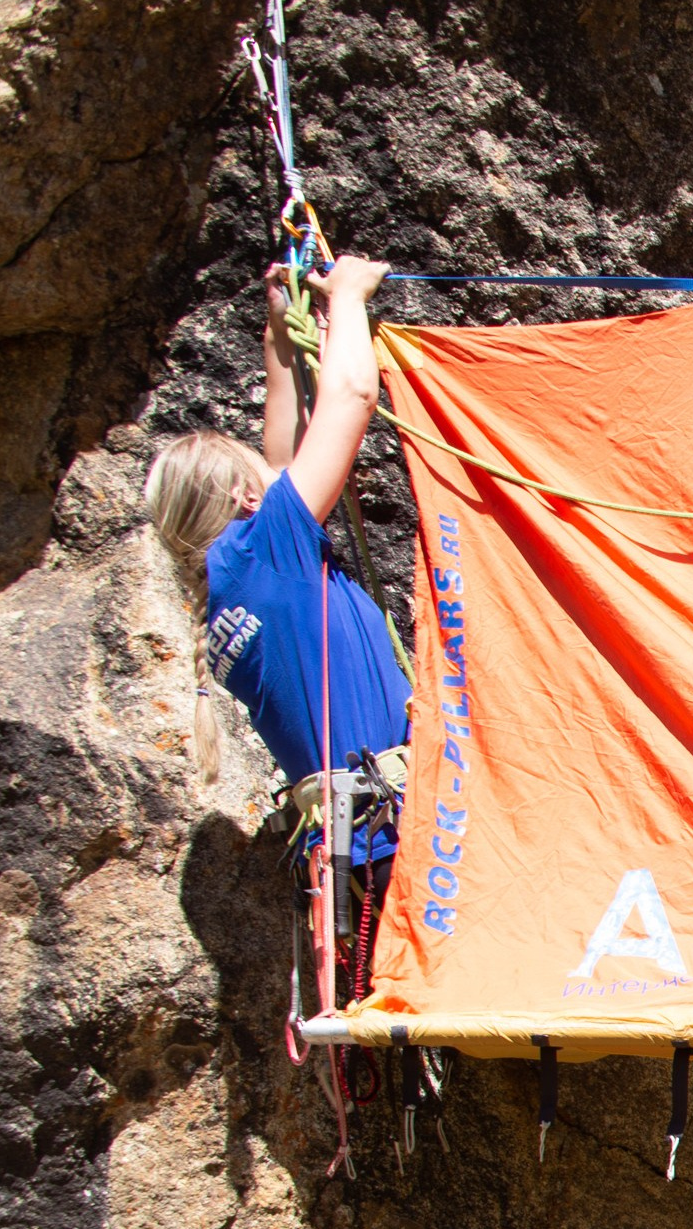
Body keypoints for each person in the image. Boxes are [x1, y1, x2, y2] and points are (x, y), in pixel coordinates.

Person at [143, 254, 408, 876]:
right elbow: (352, 395)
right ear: (246, 499)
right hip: (398, 838)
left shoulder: (230, 587)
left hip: (355, 848)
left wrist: (280, 335)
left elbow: (283, 455)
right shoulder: (263, 549)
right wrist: (348, 298)